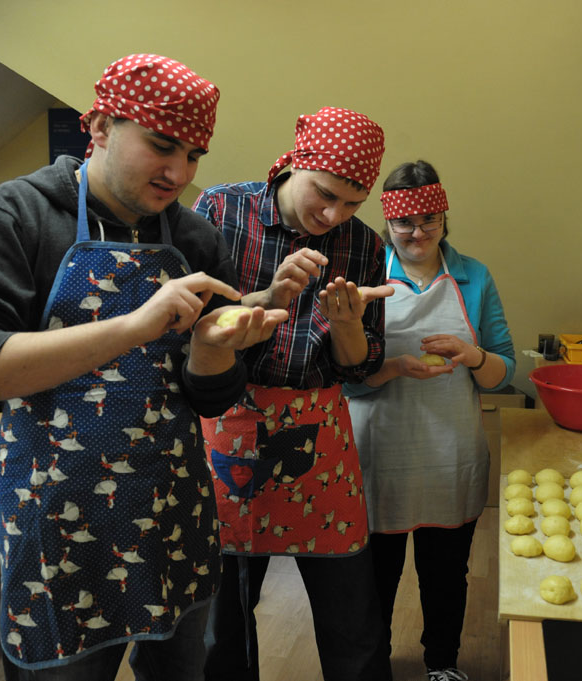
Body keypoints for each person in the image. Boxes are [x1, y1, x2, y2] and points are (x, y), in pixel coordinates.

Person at [0, 54, 287, 681]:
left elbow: (209, 399)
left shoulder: (193, 239)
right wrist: (135, 326)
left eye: (194, 154)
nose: (179, 172)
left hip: (175, 511)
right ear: (101, 127)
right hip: (61, 524)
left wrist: (214, 351)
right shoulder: (19, 215)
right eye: (162, 145)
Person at [193, 106, 394, 681]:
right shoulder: (220, 211)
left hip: (319, 436)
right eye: (325, 194)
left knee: (352, 615)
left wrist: (349, 324)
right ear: (294, 164)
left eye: (353, 203)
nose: (334, 215)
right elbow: (190, 328)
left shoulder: (362, 243)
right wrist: (265, 296)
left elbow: (356, 366)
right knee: (222, 620)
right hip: (230, 424)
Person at [345, 160, 515, 681]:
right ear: (387, 223)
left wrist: (473, 356)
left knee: (446, 576)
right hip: (380, 452)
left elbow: (504, 373)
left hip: (450, 452)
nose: (417, 233)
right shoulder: (367, 278)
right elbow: (347, 378)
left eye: (430, 220)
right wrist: (394, 367)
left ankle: (442, 664)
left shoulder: (474, 277)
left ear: (445, 218)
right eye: (404, 223)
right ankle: (372, 667)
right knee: (375, 579)